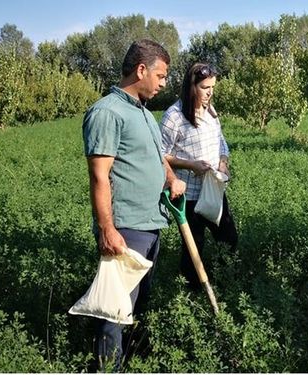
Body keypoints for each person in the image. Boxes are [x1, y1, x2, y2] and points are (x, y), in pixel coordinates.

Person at [82, 39, 186, 370]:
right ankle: (108, 368)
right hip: (126, 229)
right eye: (161, 75)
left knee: (137, 303)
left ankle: (131, 361)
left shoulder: (141, 111)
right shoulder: (107, 112)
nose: (164, 83)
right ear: (141, 70)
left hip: (150, 223)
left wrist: (170, 178)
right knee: (114, 310)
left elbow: (156, 156)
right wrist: (107, 229)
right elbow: (99, 177)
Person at [160, 62, 238, 291]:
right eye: (205, 87)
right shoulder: (173, 116)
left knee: (229, 238)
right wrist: (189, 164)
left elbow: (221, 142)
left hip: (213, 190)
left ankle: (226, 283)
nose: (210, 92)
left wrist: (223, 164)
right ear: (191, 86)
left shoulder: (210, 111)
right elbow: (159, 154)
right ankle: (192, 293)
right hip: (189, 196)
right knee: (193, 247)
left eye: (212, 87)